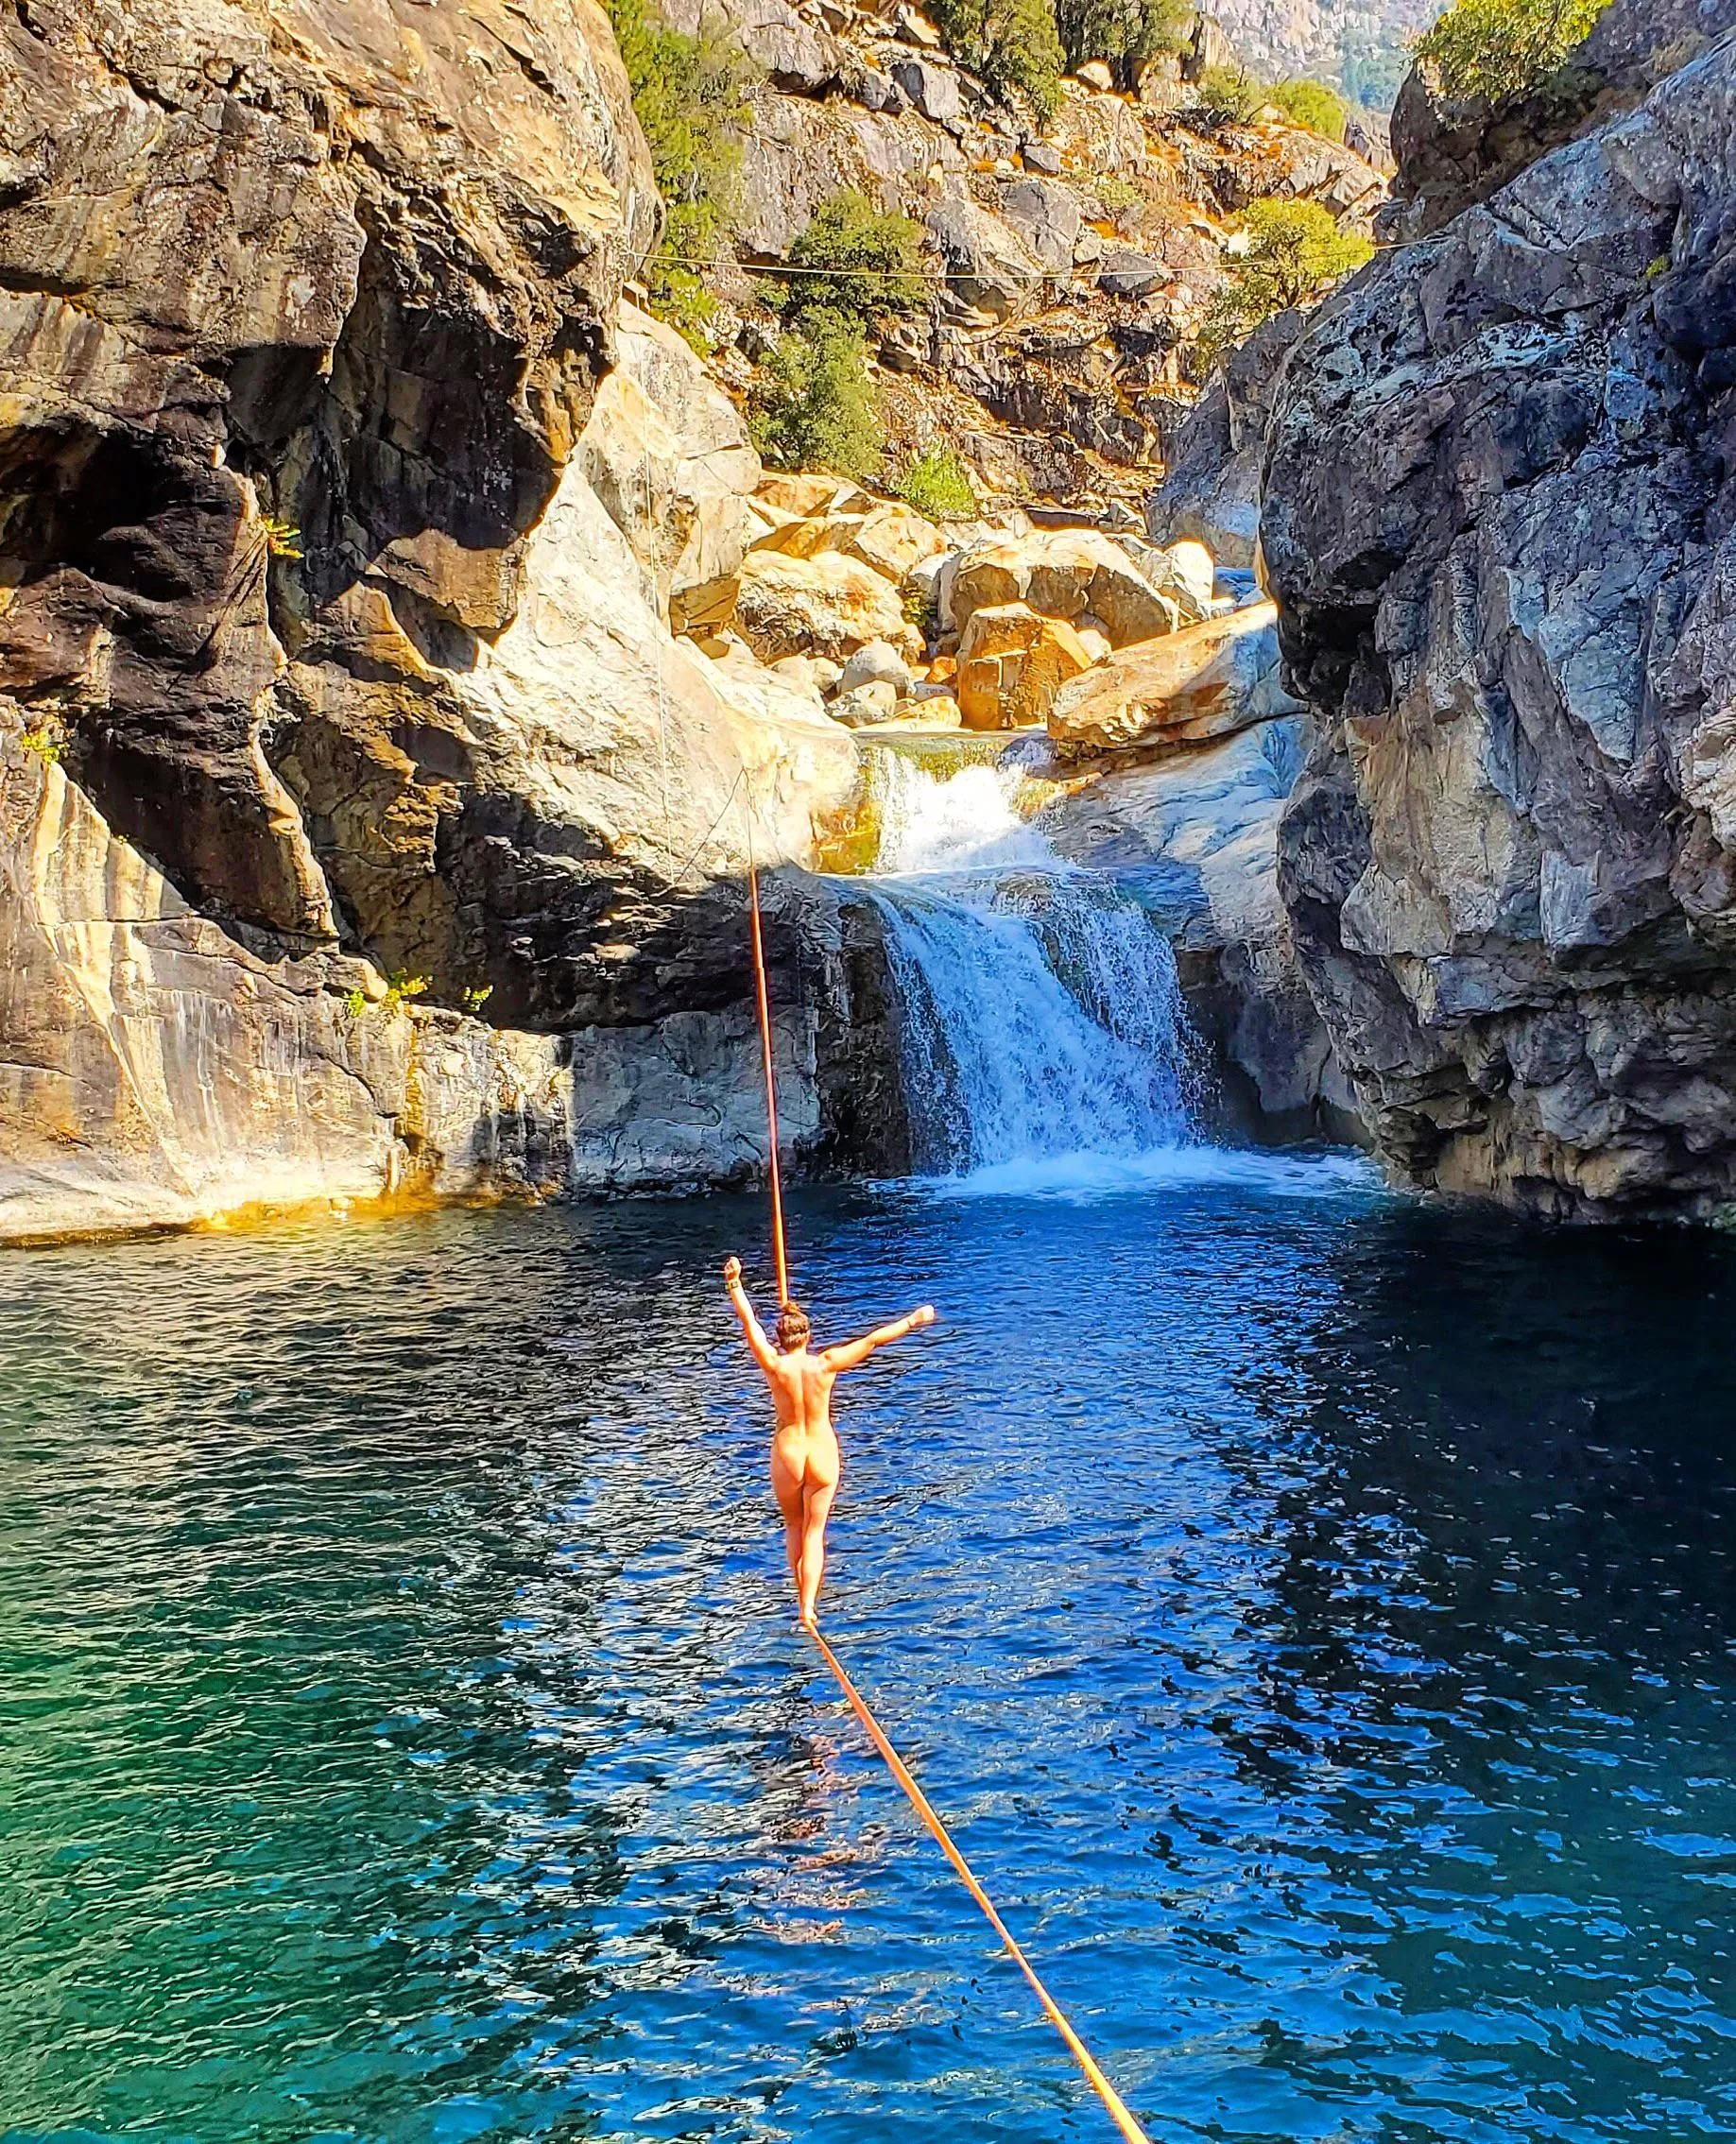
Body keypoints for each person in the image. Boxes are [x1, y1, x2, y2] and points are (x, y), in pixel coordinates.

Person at [723, 1256, 937, 1629]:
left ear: (781, 1337)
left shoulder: (774, 1365)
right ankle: (808, 1607)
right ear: (807, 1336)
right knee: (815, 1532)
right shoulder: (827, 1363)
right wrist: (914, 1319)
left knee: (794, 1524)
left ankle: (798, 1593)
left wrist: (735, 1284)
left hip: (789, 1451)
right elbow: (872, 1340)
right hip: (821, 1451)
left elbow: (749, 1323)